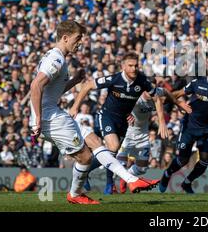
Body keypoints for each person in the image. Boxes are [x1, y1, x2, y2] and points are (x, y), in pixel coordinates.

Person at [30, 22, 156, 205]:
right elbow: (36, 85)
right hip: (50, 118)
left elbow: (51, 91)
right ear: (65, 38)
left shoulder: (57, 57)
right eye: (77, 38)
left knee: (95, 142)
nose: (80, 43)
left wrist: (74, 81)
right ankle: (77, 194)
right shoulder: (56, 59)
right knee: (85, 157)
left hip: (54, 113)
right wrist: (38, 119)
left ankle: (130, 180)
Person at [69, 51, 169, 194]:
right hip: (107, 116)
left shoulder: (142, 80)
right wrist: (75, 106)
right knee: (113, 146)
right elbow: (88, 86)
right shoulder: (115, 79)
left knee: (111, 152)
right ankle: (107, 182)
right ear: (123, 66)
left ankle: (87, 171)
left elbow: (157, 97)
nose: (134, 69)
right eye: (130, 66)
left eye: (136, 66)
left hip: (123, 120)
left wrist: (162, 121)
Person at [159, 62, 208, 194]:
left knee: (205, 160)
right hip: (189, 126)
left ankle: (187, 183)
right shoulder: (197, 83)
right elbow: (178, 93)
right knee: (183, 160)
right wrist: (170, 103)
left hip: (207, 129)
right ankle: (167, 174)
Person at [117, 87, 191, 193]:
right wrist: (126, 114)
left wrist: (178, 103)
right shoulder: (135, 96)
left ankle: (126, 177)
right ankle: (110, 186)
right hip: (128, 134)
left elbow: (167, 92)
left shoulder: (156, 92)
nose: (152, 92)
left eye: (153, 89)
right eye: (148, 90)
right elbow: (120, 104)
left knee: (142, 169)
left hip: (143, 135)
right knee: (119, 165)